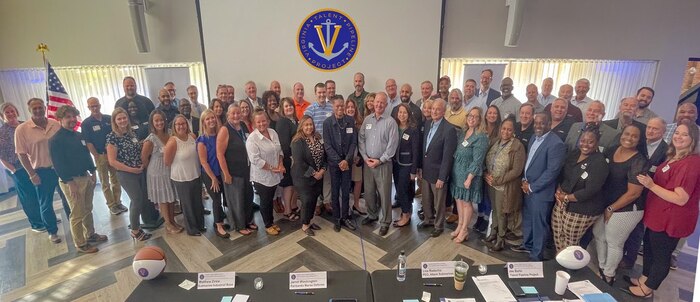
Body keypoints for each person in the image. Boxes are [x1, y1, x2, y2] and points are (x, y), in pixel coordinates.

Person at [625, 121, 700, 298]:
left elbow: (681, 198)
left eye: (684, 134)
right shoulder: (675, 156)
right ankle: (644, 278)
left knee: (661, 255)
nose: (678, 137)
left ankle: (648, 288)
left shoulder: (691, 163)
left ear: (693, 139)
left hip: (672, 218)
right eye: (677, 133)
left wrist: (650, 185)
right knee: (649, 248)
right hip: (658, 214)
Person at [592, 124, 647, 286]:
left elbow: (634, 193)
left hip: (627, 209)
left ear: (639, 140)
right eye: (626, 133)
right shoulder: (612, 149)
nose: (629, 138)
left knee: (614, 242)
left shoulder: (639, 161)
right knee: (598, 234)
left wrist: (612, 208)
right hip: (607, 203)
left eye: (634, 136)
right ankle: (602, 267)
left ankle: (609, 275)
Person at [49, 106, 107, 253]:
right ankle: (80, 244)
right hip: (71, 181)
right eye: (68, 117)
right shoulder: (55, 140)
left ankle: (91, 234)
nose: (72, 119)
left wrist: (93, 171)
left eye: (73, 116)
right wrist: (70, 183)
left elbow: (86, 156)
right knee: (77, 213)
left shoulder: (79, 135)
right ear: (60, 119)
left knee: (88, 208)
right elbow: (58, 164)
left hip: (85, 177)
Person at [511, 113, 566, 261]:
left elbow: (552, 172)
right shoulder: (533, 138)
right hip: (527, 187)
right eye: (536, 123)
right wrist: (524, 180)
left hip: (540, 192)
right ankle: (527, 245)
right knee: (528, 219)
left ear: (549, 124)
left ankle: (536, 255)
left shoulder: (556, 144)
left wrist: (532, 187)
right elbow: (529, 161)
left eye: (542, 123)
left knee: (539, 224)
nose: (538, 126)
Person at [620, 117, 669, 269]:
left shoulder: (666, 150)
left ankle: (629, 260)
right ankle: (619, 255)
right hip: (628, 190)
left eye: (655, 129)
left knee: (637, 229)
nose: (650, 131)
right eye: (649, 127)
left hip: (648, 196)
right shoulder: (639, 143)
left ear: (663, 132)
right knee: (623, 227)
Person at [551, 124, 608, 253]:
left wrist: (566, 197)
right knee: (558, 235)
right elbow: (563, 175)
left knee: (570, 241)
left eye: (590, 142)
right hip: (561, 201)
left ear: (597, 143)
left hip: (582, 208)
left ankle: (571, 268)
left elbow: (590, 191)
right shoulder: (574, 153)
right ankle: (560, 263)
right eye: (583, 141)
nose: (585, 144)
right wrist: (559, 191)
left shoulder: (599, 162)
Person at [15, 98, 64, 243]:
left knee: (68, 200)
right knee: (46, 203)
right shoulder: (22, 129)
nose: (38, 110)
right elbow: (21, 154)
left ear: (44, 107)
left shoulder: (54, 124)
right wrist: (32, 174)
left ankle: (76, 227)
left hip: (60, 169)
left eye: (40, 107)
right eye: (34, 108)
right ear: (29, 110)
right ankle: (52, 231)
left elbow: (63, 144)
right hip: (41, 171)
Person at [106, 108, 153, 241]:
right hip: (127, 174)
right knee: (137, 200)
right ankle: (135, 231)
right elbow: (112, 161)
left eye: (124, 118)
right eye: (119, 119)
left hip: (139, 170)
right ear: (114, 121)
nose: (122, 121)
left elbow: (136, 149)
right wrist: (132, 170)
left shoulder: (132, 133)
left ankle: (135, 225)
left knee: (138, 200)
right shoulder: (112, 137)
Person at [0, 103, 48, 232]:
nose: (11, 114)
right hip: (17, 168)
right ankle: (37, 223)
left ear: (17, 112)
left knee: (40, 192)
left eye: (12, 111)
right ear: (2, 115)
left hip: (33, 164)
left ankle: (46, 218)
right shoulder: (2, 132)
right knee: (28, 196)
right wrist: (14, 170)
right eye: (7, 112)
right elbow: (2, 156)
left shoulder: (25, 125)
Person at [359, 92, 399, 236]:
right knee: (369, 191)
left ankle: (385, 221)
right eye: (377, 102)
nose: (379, 105)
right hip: (368, 163)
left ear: (386, 105)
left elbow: (392, 145)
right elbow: (361, 138)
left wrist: (380, 160)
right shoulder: (367, 120)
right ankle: (372, 215)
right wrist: (364, 157)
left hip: (383, 164)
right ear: (373, 102)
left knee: (384, 194)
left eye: (382, 102)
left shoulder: (390, 122)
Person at [483, 118, 526, 251]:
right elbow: (487, 157)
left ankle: (501, 239)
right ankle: (493, 233)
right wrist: (486, 174)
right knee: (494, 210)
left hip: (504, 186)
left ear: (513, 131)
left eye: (509, 129)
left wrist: (499, 180)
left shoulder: (517, 146)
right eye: (503, 128)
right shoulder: (496, 141)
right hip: (491, 183)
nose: (505, 132)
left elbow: (517, 170)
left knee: (501, 212)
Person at [81, 97, 127, 215]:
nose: (95, 108)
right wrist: (96, 156)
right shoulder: (86, 123)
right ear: (88, 108)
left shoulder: (108, 118)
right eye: (92, 106)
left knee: (116, 179)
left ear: (100, 105)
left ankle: (118, 202)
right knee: (105, 182)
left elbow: (116, 133)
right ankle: (111, 205)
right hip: (100, 155)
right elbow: (88, 142)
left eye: (96, 105)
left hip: (113, 154)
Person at [419, 99, 457, 237]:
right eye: (433, 108)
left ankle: (438, 225)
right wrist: (420, 168)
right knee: (426, 199)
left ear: (444, 111)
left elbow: (447, 156)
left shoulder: (449, 129)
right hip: (426, 169)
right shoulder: (428, 123)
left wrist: (442, 176)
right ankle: (428, 219)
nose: (434, 111)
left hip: (438, 173)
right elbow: (425, 148)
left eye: (438, 109)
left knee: (439, 202)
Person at [450, 106, 488, 243]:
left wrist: (469, 178)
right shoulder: (464, 132)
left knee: (466, 202)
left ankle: (465, 229)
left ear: (480, 119)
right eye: (470, 116)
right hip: (457, 172)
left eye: (475, 116)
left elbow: (478, 161)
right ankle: (460, 225)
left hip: (469, 175)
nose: (471, 118)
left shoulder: (481, 137)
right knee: (458, 200)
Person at [217, 104, 255, 235]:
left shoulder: (243, 125)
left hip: (246, 169)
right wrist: (226, 173)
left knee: (248, 196)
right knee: (237, 200)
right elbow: (220, 154)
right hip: (232, 172)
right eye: (233, 113)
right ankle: (239, 226)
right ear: (228, 115)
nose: (236, 116)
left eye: (238, 113)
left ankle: (248, 221)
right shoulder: (225, 130)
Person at [141, 110, 181, 234]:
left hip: (170, 170)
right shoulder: (150, 139)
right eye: (156, 120)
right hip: (157, 172)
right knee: (163, 199)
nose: (159, 123)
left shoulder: (170, 133)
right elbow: (144, 157)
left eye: (161, 120)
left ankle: (173, 220)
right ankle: (168, 223)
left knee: (171, 197)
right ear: (152, 123)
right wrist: (152, 171)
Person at [165, 115, 205, 236]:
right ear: (174, 127)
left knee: (198, 202)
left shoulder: (192, 136)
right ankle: (192, 229)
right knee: (188, 205)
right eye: (178, 124)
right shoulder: (172, 141)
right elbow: (167, 162)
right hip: (182, 178)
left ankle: (200, 225)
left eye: (183, 124)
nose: (181, 126)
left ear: (187, 125)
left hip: (195, 174)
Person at [246, 110, 284, 235]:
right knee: (266, 201)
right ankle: (268, 225)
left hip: (275, 174)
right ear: (254, 123)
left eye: (264, 121)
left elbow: (279, 150)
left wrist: (280, 164)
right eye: (258, 122)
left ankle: (272, 222)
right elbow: (256, 160)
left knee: (271, 198)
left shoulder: (273, 132)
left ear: (267, 120)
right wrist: (273, 168)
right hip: (261, 177)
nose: (262, 123)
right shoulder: (252, 139)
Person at [323, 96, 358, 232]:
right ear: (333, 107)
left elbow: (353, 143)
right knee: (335, 190)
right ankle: (337, 218)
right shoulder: (327, 123)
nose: (340, 108)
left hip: (347, 163)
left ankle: (345, 216)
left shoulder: (350, 121)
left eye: (342, 106)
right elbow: (327, 145)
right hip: (334, 164)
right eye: (337, 106)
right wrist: (339, 161)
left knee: (346, 190)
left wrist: (347, 160)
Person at [196, 109, 229, 238]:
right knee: (215, 199)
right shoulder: (202, 140)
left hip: (220, 171)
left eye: (213, 118)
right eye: (208, 119)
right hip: (210, 174)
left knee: (220, 198)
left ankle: (218, 221)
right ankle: (219, 225)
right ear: (203, 122)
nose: (211, 121)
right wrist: (213, 178)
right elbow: (204, 162)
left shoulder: (219, 135)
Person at [291, 115, 326, 236]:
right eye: (306, 124)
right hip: (303, 177)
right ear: (301, 126)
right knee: (306, 200)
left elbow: (324, 155)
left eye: (310, 124)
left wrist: (322, 170)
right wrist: (314, 173)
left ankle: (309, 221)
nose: (309, 127)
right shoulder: (297, 141)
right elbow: (299, 162)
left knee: (313, 199)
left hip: (318, 176)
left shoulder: (318, 137)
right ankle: (305, 225)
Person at [391, 103, 421, 228]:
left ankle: (406, 215)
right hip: (396, 163)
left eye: (404, 112)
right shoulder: (395, 127)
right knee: (399, 189)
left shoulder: (413, 129)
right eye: (400, 112)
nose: (402, 115)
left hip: (407, 165)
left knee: (403, 190)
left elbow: (416, 151)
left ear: (409, 114)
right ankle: (406, 211)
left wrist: (413, 171)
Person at [276, 97, 299, 220]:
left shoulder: (294, 120)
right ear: (282, 109)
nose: (289, 108)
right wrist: (289, 158)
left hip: (295, 158)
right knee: (288, 185)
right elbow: (284, 143)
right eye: (286, 106)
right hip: (288, 159)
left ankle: (293, 206)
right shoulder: (283, 122)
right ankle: (287, 211)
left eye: (291, 105)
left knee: (294, 184)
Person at [346, 98, 366, 215]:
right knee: (346, 183)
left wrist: (359, 156)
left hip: (357, 158)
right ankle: (346, 206)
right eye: (348, 107)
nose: (350, 109)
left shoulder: (360, 123)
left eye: (352, 107)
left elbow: (362, 141)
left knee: (358, 181)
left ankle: (356, 204)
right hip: (346, 159)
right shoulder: (342, 122)